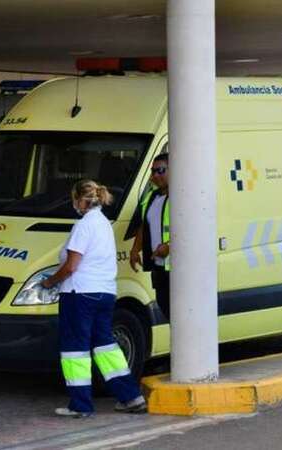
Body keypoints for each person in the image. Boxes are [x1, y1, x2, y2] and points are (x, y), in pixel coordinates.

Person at [41, 179, 147, 418]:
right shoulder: (104, 224)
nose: (73, 204)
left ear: (81, 200)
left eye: (74, 199)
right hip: (105, 293)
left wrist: (49, 282)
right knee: (106, 347)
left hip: (79, 294)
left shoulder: (84, 225)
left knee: (75, 350)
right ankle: (131, 396)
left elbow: (71, 266)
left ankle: (80, 405)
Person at [129, 153, 170, 320]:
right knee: (165, 306)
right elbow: (143, 226)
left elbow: (192, 229)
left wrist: (169, 247)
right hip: (159, 266)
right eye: (153, 171)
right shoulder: (151, 196)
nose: (155, 175)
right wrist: (135, 250)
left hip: (179, 269)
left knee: (181, 313)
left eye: (161, 170)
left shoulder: (183, 197)